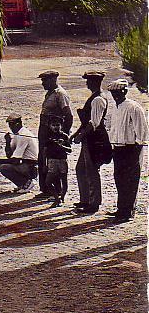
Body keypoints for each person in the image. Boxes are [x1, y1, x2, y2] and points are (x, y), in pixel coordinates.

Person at [106, 78, 149, 224]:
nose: (115, 96)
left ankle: (128, 211)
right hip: (118, 148)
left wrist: (136, 148)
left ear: (124, 92)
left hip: (131, 148)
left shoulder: (133, 107)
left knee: (130, 181)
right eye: (113, 93)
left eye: (118, 92)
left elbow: (142, 131)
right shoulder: (116, 108)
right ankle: (121, 208)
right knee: (120, 180)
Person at [70, 71, 112, 215]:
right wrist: (75, 134)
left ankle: (94, 204)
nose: (87, 83)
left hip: (95, 140)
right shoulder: (94, 98)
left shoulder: (98, 99)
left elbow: (93, 123)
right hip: (88, 139)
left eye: (89, 81)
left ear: (95, 82)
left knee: (92, 171)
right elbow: (86, 121)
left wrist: (80, 136)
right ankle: (85, 200)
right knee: (81, 169)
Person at [36, 70, 73, 198]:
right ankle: (46, 190)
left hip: (53, 134)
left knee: (53, 162)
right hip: (45, 131)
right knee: (43, 159)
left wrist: (63, 135)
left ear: (53, 80)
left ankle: (56, 192)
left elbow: (68, 116)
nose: (42, 83)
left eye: (44, 80)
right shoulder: (50, 94)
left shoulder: (60, 94)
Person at [0, 114, 39, 192]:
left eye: (12, 125)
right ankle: (22, 184)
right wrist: (7, 142)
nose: (10, 127)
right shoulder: (17, 134)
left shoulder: (23, 135)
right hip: (24, 164)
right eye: (9, 125)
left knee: (4, 167)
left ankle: (26, 184)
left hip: (30, 165)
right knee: (1, 165)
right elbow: (10, 156)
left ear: (18, 124)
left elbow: (15, 160)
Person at [43, 115, 72, 207]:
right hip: (52, 161)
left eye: (58, 125)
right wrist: (44, 164)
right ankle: (56, 198)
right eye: (54, 125)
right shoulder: (48, 136)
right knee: (48, 182)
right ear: (50, 126)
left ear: (61, 126)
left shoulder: (64, 136)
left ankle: (61, 198)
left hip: (62, 161)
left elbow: (70, 150)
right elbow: (44, 152)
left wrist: (62, 146)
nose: (56, 127)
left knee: (64, 181)